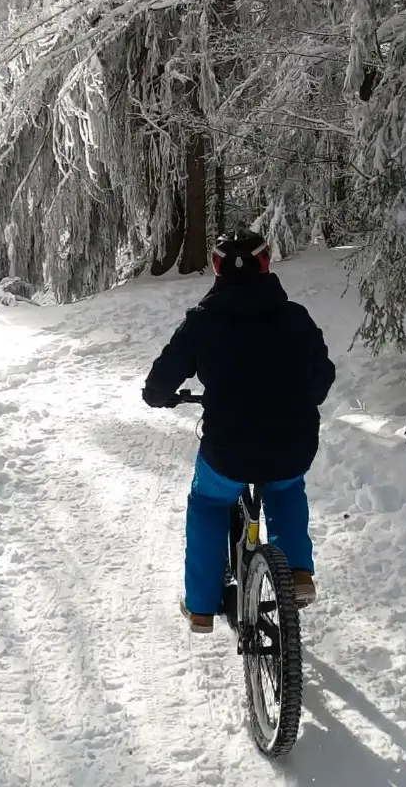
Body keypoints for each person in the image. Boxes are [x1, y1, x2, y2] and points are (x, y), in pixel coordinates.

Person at [142, 228, 336, 634]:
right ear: (265, 265)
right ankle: (298, 571)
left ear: (217, 268)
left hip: (228, 451)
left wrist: (162, 397)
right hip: (292, 442)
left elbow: (160, 383)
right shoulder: (295, 317)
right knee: (285, 488)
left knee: (209, 504)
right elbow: (322, 379)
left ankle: (200, 607)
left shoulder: (202, 322)